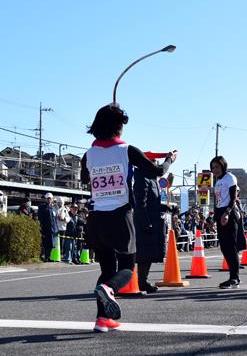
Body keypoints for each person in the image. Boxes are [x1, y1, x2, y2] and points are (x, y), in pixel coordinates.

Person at [80, 104, 176, 333]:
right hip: (120, 215)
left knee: (105, 269)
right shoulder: (127, 150)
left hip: (95, 218)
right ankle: (110, 290)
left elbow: (85, 178)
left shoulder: (88, 154)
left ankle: (102, 319)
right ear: (118, 127)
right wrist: (170, 159)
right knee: (127, 265)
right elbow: (158, 172)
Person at [133, 152, 174, 294]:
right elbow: (140, 203)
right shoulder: (141, 178)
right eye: (152, 161)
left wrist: (165, 207)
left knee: (148, 255)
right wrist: (146, 222)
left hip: (153, 220)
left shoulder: (152, 179)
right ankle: (140, 282)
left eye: (156, 161)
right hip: (145, 222)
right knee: (143, 255)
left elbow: (152, 202)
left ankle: (143, 281)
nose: (155, 163)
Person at [211, 155, 244, 289]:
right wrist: (214, 218)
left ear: (223, 166)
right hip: (220, 212)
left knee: (231, 247)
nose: (215, 170)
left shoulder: (229, 177)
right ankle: (233, 276)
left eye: (217, 167)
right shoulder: (218, 181)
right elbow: (217, 201)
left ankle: (234, 277)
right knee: (224, 247)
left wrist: (226, 213)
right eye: (213, 167)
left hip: (229, 213)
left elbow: (232, 198)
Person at [38, 193, 59, 261]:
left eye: (50, 198)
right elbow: (40, 218)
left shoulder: (53, 208)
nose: (49, 200)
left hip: (53, 229)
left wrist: (56, 228)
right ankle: (43, 256)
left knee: (51, 244)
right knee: (45, 244)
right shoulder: (42, 207)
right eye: (48, 198)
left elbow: (55, 219)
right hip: (45, 229)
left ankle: (48, 257)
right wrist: (41, 227)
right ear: (46, 199)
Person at [55, 197, 71, 262]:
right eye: (59, 202)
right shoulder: (54, 207)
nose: (60, 204)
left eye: (61, 202)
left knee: (62, 243)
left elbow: (68, 218)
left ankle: (60, 255)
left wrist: (64, 219)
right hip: (55, 228)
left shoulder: (65, 209)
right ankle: (55, 255)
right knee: (55, 242)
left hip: (62, 228)